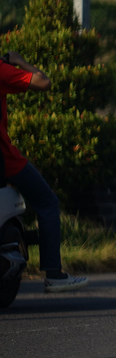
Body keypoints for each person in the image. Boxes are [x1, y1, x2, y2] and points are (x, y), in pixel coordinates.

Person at [0, 51, 86, 292]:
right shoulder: (1, 69)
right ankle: (54, 273)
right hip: (6, 159)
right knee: (48, 202)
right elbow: (43, 82)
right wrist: (20, 61)